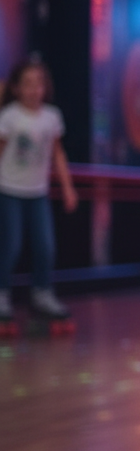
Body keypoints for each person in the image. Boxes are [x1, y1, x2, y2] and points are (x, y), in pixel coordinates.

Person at [0, 57, 78, 323]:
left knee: (45, 246)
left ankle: (42, 294)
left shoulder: (51, 117)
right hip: (9, 190)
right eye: (28, 84)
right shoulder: (9, 117)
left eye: (39, 84)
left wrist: (68, 188)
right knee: (10, 246)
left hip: (38, 192)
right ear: (16, 88)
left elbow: (57, 153)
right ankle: (2, 295)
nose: (34, 90)